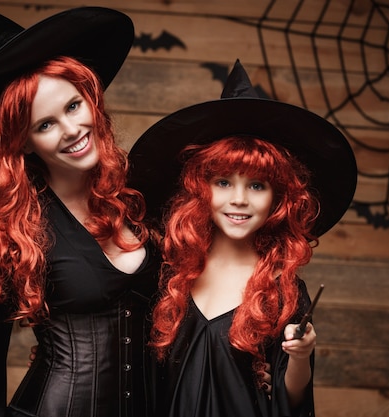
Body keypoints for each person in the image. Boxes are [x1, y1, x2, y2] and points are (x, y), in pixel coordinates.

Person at [0, 1, 160, 416]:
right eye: (45, 124)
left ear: (91, 99)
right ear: (23, 143)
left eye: (73, 106)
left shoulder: (139, 203)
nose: (72, 130)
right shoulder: (14, 233)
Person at [127, 60, 357, 416]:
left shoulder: (284, 292)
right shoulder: (168, 276)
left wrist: (301, 356)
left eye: (256, 185)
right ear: (200, 189)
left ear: (278, 198)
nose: (239, 198)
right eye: (223, 182)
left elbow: (291, 403)